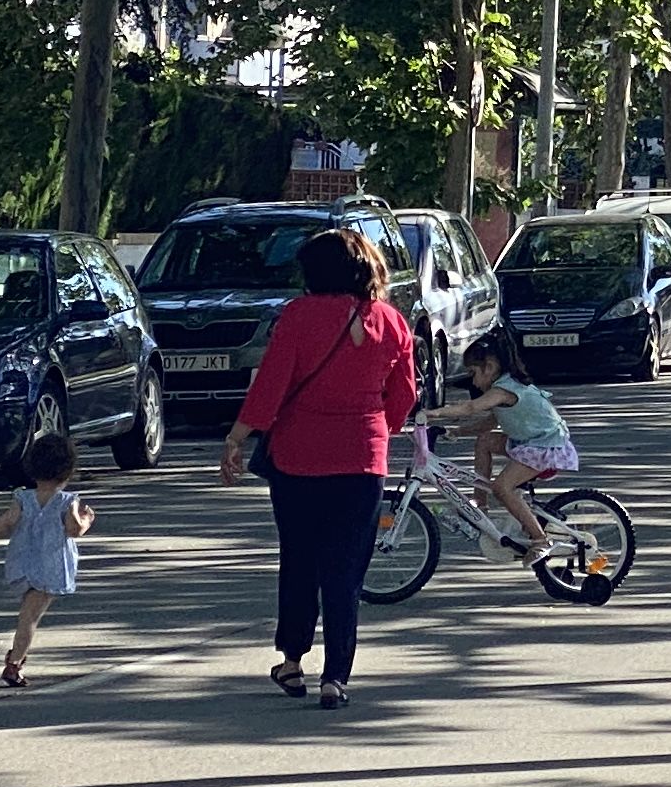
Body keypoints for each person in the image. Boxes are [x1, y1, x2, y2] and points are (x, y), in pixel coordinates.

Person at [223, 228, 419, 709]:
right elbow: (406, 395)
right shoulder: (392, 321)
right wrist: (378, 430)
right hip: (362, 460)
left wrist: (238, 436)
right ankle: (336, 676)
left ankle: (292, 661)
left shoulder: (298, 316)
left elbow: (272, 382)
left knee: (299, 559)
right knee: (345, 571)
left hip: (298, 456)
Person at [0, 429, 92, 686]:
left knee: (28, 612)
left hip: (22, 562)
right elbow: (73, 529)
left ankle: (17, 655)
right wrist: (86, 519)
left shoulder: (23, 498)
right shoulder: (67, 501)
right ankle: (15, 662)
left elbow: (6, 523)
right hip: (49, 567)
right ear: (67, 471)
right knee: (29, 617)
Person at [446, 329, 577, 558]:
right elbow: (487, 424)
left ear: (489, 367)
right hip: (529, 443)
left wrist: (430, 413)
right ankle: (480, 505)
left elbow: (471, 407)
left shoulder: (504, 389)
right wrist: (459, 431)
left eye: (473, 373)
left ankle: (540, 540)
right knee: (485, 441)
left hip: (544, 447)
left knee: (502, 488)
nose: (474, 381)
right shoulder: (502, 388)